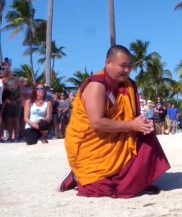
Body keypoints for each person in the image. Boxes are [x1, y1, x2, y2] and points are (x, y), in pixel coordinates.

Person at [59, 45, 170, 198]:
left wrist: (141, 124)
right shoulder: (97, 85)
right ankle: (77, 175)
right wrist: (132, 125)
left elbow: (130, 115)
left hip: (117, 139)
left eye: (130, 66)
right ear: (108, 63)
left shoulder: (128, 86)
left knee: (146, 138)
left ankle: (135, 178)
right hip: (92, 145)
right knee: (102, 189)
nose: (127, 70)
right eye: (123, 66)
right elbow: (96, 123)